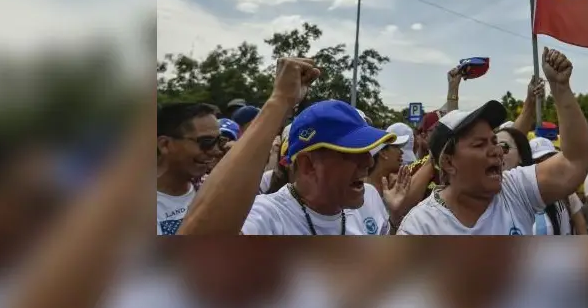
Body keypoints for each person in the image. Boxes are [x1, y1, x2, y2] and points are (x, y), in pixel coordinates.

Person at [179, 59, 416, 236]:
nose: (368, 162)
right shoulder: (267, 217)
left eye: (368, 151)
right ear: (308, 165)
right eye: (352, 153)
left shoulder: (367, 204)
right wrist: (279, 101)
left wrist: (395, 219)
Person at [397, 48, 588, 235]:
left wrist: (560, 88)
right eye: (479, 144)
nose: (497, 151)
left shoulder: (515, 188)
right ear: (448, 163)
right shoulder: (421, 226)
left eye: (494, 141)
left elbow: (575, 162)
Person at [156, 103, 221, 235]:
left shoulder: (212, 189)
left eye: (219, 141)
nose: (216, 151)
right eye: (206, 142)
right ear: (165, 144)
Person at [529, 137, 588, 235]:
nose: (545, 165)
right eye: (538, 160)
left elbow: (581, 226)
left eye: (549, 158)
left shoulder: (567, 192)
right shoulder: (522, 195)